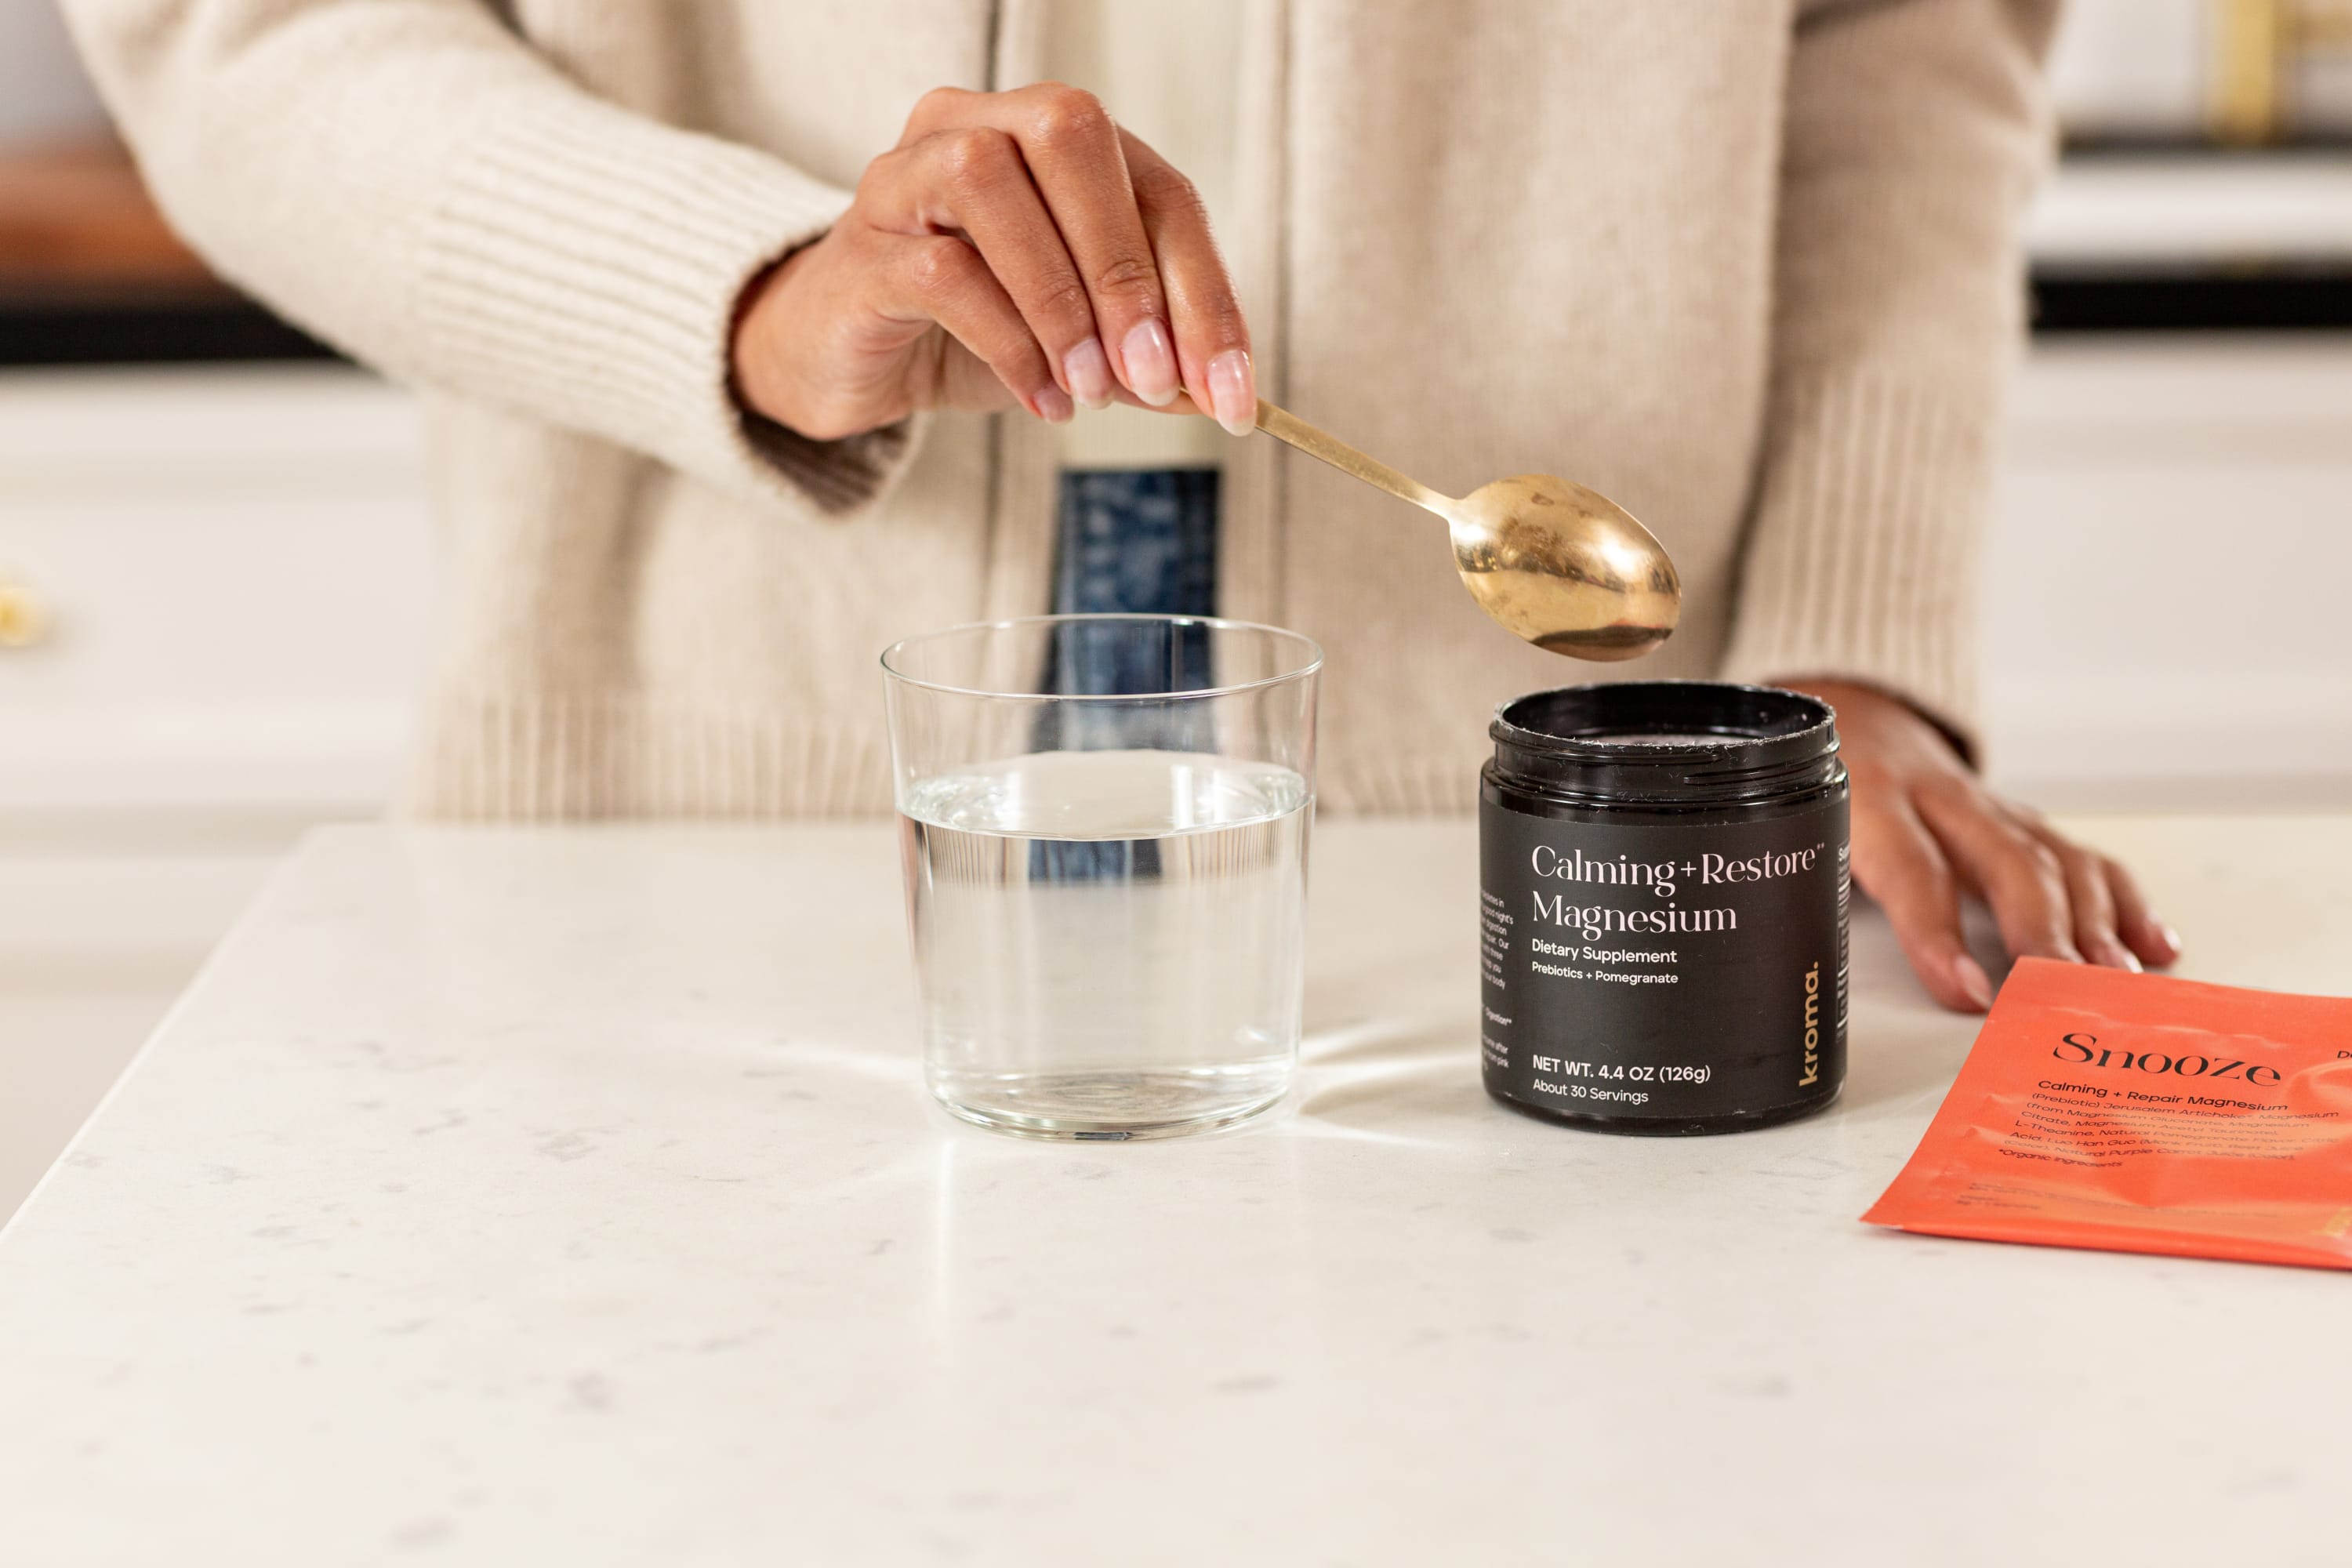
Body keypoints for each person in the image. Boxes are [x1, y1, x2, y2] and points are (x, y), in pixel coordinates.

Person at [61, 0, 2179, 1011]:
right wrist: (749, 296)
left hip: (1562, 888)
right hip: (692, 863)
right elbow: (246, 33)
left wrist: (1841, 655)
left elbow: (1904, 48)